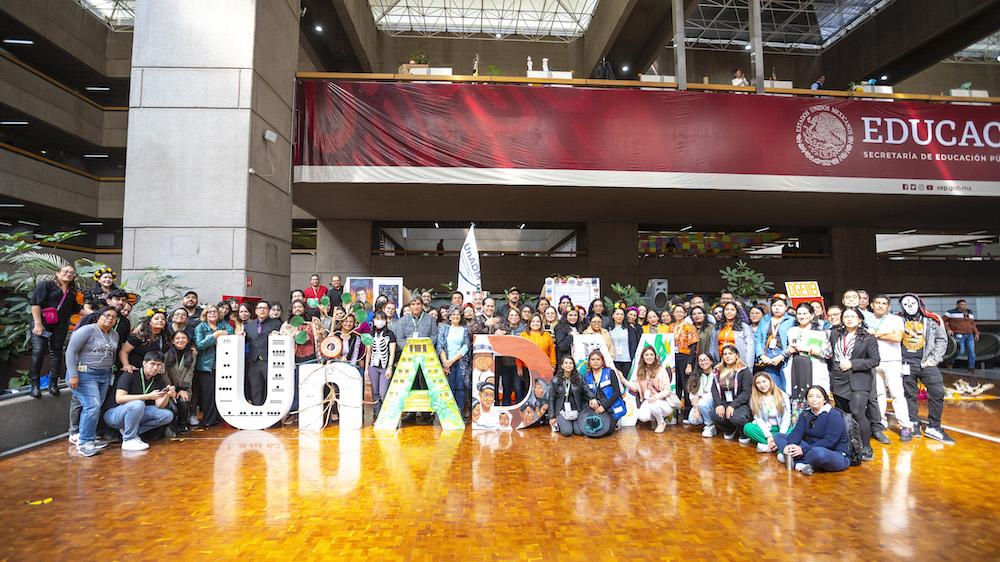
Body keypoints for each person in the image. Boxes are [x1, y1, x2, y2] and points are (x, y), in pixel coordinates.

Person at [65, 306, 120, 456]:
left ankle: (89, 438)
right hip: (84, 375)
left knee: (95, 407)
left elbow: (111, 356)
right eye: (107, 315)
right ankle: (85, 443)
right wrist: (73, 375)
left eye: (114, 317)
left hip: (104, 375)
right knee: (92, 406)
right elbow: (70, 352)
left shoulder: (114, 335)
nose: (110, 318)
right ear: (98, 316)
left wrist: (110, 378)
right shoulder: (87, 330)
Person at [899, 293, 953, 443]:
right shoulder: (897, 319)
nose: (909, 307)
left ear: (919, 303)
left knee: (937, 393)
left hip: (927, 362)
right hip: (906, 364)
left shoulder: (933, 318)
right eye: (906, 304)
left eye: (912, 303)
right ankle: (914, 422)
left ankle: (934, 426)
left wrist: (935, 359)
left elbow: (942, 339)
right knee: (909, 394)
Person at [830, 307, 879, 461]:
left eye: (853, 316)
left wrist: (853, 363)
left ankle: (866, 446)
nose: (849, 319)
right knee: (843, 415)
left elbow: (874, 360)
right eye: (846, 316)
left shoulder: (868, 338)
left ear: (860, 319)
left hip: (859, 379)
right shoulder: (835, 334)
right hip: (839, 378)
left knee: (858, 413)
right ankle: (847, 444)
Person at [103, 351, 175, 451]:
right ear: (144, 363)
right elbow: (119, 398)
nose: (155, 368)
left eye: (159, 365)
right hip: (114, 414)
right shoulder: (130, 374)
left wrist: (167, 395)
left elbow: (160, 405)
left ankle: (130, 431)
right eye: (152, 364)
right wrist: (148, 396)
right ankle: (129, 440)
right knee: (138, 404)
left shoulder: (157, 379)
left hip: (136, 413)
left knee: (167, 415)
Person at [28, 264, 82, 397]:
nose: (68, 274)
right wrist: (38, 324)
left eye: (72, 273)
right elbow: (35, 304)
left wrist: (98, 314)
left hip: (60, 325)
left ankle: (53, 383)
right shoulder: (46, 285)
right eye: (65, 271)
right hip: (41, 324)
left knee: (56, 353)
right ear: (57, 273)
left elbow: (77, 309)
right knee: (38, 351)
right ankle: (35, 385)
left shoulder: (71, 291)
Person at [774, 386, 850, 475]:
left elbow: (830, 441)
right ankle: (802, 463)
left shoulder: (834, 415)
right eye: (810, 396)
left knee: (819, 453)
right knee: (779, 436)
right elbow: (797, 432)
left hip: (833, 453)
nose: (814, 399)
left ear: (824, 400)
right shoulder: (806, 413)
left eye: (818, 397)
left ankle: (793, 460)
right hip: (810, 448)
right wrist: (790, 445)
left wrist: (803, 450)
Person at [869, 295, 913, 441]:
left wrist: (876, 334)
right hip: (874, 361)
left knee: (897, 394)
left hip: (892, 361)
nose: (880, 306)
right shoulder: (867, 319)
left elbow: (897, 337)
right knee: (879, 394)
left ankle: (905, 425)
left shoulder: (896, 319)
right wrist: (887, 334)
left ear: (888, 307)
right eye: (877, 303)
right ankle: (881, 423)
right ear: (872, 305)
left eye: (884, 304)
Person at [782, 302, 832, 422]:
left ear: (811, 315)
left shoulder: (820, 332)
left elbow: (828, 353)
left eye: (805, 313)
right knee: (795, 396)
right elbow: (787, 349)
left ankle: (816, 424)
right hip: (796, 367)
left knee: (814, 394)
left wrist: (808, 349)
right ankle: (796, 425)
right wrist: (788, 350)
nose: (802, 316)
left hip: (813, 367)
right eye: (799, 314)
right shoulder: (791, 331)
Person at [617, 345, 676, 433]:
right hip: (648, 400)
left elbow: (667, 390)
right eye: (646, 355)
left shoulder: (661, 370)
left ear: (655, 357)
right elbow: (636, 388)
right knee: (642, 417)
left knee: (654, 404)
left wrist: (656, 397)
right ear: (643, 357)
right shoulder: (641, 371)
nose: (649, 357)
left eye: (651, 355)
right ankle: (655, 418)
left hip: (663, 401)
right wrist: (623, 379)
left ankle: (661, 422)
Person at [193, 304, 234, 428]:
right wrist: (215, 336)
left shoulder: (223, 325)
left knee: (222, 393)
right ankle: (208, 420)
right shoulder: (201, 327)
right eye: (209, 312)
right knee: (208, 395)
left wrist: (211, 337)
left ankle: (219, 418)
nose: (212, 314)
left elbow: (231, 333)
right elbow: (200, 345)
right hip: (206, 367)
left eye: (214, 311)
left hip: (223, 365)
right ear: (205, 314)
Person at [709, 344, 753, 441]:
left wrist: (733, 405)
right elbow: (714, 389)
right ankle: (730, 428)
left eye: (730, 353)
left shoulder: (744, 371)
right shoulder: (717, 371)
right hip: (724, 402)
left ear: (737, 355)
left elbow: (746, 392)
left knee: (736, 417)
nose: (727, 356)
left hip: (740, 404)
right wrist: (719, 405)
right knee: (714, 414)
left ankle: (744, 432)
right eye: (725, 354)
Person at [244, 300, 282, 406]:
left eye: (265, 308)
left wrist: (279, 334)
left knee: (273, 387)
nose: (262, 310)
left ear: (269, 311)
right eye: (260, 308)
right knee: (255, 388)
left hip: (270, 361)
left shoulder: (277, 324)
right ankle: (257, 412)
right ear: (255, 311)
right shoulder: (250, 325)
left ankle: (274, 412)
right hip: (253, 362)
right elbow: (246, 339)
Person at [581, 350, 626, 438]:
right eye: (593, 359)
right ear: (589, 362)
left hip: (609, 406)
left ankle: (615, 421)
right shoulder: (587, 376)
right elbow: (585, 393)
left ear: (602, 362)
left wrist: (604, 407)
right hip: (594, 406)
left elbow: (617, 393)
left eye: (598, 359)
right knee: (587, 430)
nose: (595, 361)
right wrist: (591, 400)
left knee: (607, 431)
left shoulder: (610, 372)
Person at [754, 294, 794, 391]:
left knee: (787, 387)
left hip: (785, 357)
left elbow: (793, 340)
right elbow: (758, 338)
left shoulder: (791, 320)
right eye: (774, 305)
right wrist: (761, 356)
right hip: (767, 356)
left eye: (780, 306)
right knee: (772, 387)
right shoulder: (765, 319)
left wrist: (782, 356)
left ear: (786, 308)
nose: (777, 308)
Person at [744, 372, 791, 453]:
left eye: (764, 381)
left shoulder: (783, 396)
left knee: (794, 430)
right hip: (766, 431)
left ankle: (768, 447)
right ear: (755, 386)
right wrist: (768, 436)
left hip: (781, 430)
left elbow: (786, 418)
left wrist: (780, 436)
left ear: (770, 381)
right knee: (748, 427)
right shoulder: (754, 399)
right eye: (758, 383)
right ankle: (779, 447)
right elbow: (758, 419)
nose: (762, 385)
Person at [665, 304, 699, 418]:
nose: (679, 314)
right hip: (672, 357)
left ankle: (687, 413)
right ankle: (675, 413)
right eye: (676, 312)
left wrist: (689, 364)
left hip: (685, 357)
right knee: (675, 384)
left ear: (685, 314)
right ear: (673, 314)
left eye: (681, 312)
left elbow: (693, 347)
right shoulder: (670, 327)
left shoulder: (689, 327)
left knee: (686, 385)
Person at [437, 306, 471, 414]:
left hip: (461, 362)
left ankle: (459, 412)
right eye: (453, 314)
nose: (455, 316)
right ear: (450, 316)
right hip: (446, 362)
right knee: (449, 388)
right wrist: (446, 363)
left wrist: (452, 360)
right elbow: (440, 346)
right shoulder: (444, 328)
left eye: (458, 314)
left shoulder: (465, 329)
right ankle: (450, 414)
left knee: (461, 388)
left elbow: (466, 346)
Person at [548, 356, 593, 436]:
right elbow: (551, 399)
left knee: (579, 432)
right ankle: (565, 423)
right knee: (567, 432)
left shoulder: (579, 378)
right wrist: (552, 417)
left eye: (570, 363)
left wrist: (594, 398)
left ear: (573, 365)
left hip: (576, 411)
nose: (568, 365)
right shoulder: (555, 380)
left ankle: (572, 424)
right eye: (566, 363)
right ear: (562, 366)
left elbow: (587, 391)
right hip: (561, 412)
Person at [365, 310, 397, 420]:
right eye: (377, 319)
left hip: (384, 367)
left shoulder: (390, 334)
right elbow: (368, 352)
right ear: (373, 320)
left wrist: (390, 367)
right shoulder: (370, 335)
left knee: (383, 392)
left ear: (385, 321)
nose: (379, 321)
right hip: (373, 366)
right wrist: (366, 369)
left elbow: (392, 352)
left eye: (382, 319)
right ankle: (377, 415)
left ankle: (387, 414)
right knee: (375, 392)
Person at [163, 330, 196, 435]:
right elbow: (164, 374)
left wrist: (183, 389)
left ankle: (183, 424)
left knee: (183, 401)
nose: (180, 340)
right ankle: (172, 425)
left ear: (187, 341)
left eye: (183, 338)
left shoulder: (192, 354)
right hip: (169, 387)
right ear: (173, 341)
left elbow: (190, 373)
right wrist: (171, 388)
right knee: (171, 405)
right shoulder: (166, 355)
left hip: (185, 387)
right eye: (177, 338)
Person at [712, 302, 755, 368]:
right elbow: (712, 346)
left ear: (736, 312)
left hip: (738, 361)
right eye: (727, 309)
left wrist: (748, 366)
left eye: (732, 310)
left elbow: (750, 348)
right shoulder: (718, 327)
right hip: (720, 361)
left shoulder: (744, 327)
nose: (729, 312)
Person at [944, 299, 980, 373]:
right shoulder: (951, 312)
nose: (964, 306)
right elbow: (941, 321)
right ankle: (951, 361)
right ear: (957, 305)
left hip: (969, 334)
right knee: (960, 351)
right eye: (962, 305)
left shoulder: (970, 313)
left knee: (971, 351)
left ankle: (971, 367)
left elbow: (972, 324)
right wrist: (948, 329)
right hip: (958, 333)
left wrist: (976, 333)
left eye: (965, 305)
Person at [687, 353, 715, 430]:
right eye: (700, 360)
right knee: (693, 419)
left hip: (713, 402)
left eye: (705, 360)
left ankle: (709, 425)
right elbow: (692, 396)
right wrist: (697, 409)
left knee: (702, 403)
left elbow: (716, 394)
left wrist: (700, 397)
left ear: (711, 361)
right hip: (700, 404)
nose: (703, 362)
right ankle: (709, 420)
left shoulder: (716, 374)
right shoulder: (695, 376)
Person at [608, 307, 639, 375]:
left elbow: (633, 345)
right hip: (613, 359)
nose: (619, 316)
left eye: (621, 314)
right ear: (613, 315)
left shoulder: (629, 328)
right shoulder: (608, 328)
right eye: (617, 314)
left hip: (627, 360)